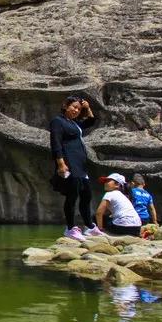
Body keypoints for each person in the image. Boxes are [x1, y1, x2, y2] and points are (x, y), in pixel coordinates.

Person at [49, 95, 101, 240]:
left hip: (81, 165)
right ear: (66, 106)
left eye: (78, 109)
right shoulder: (58, 121)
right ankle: (70, 228)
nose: (76, 110)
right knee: (72, 196)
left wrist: (88, 107)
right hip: (69, 162)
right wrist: (61, 163)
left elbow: (91, 121)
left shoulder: (74, 123)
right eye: (74, 107)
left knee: (87, 195)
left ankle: (90, 227)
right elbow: (56, 142)